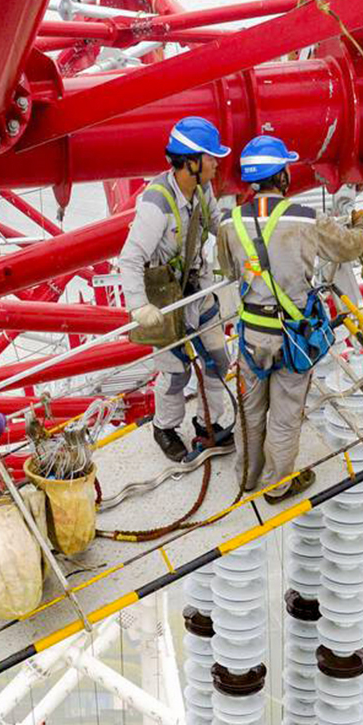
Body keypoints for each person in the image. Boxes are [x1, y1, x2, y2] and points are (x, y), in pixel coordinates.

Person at [217, 134, 363, 502]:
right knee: (285, 414)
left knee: (250, 410)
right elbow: (348, 247)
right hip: (293, 336)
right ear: (282, 175)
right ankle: (277, 486)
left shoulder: (229, 223)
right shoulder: (306, 218)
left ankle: (247, 478)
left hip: (251, 335)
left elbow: (227, 270)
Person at [118, 116, 237, 464]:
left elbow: (218, 225)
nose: (216, 164)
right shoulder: (156, 204)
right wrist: (139, 307)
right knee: (176, 372)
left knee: (218, 359)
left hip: (197, 290)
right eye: (211, 157)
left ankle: (208, 423)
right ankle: (165, 427)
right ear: (191, 163)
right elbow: (130, 258)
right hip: (166, 300)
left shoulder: (201, 190)